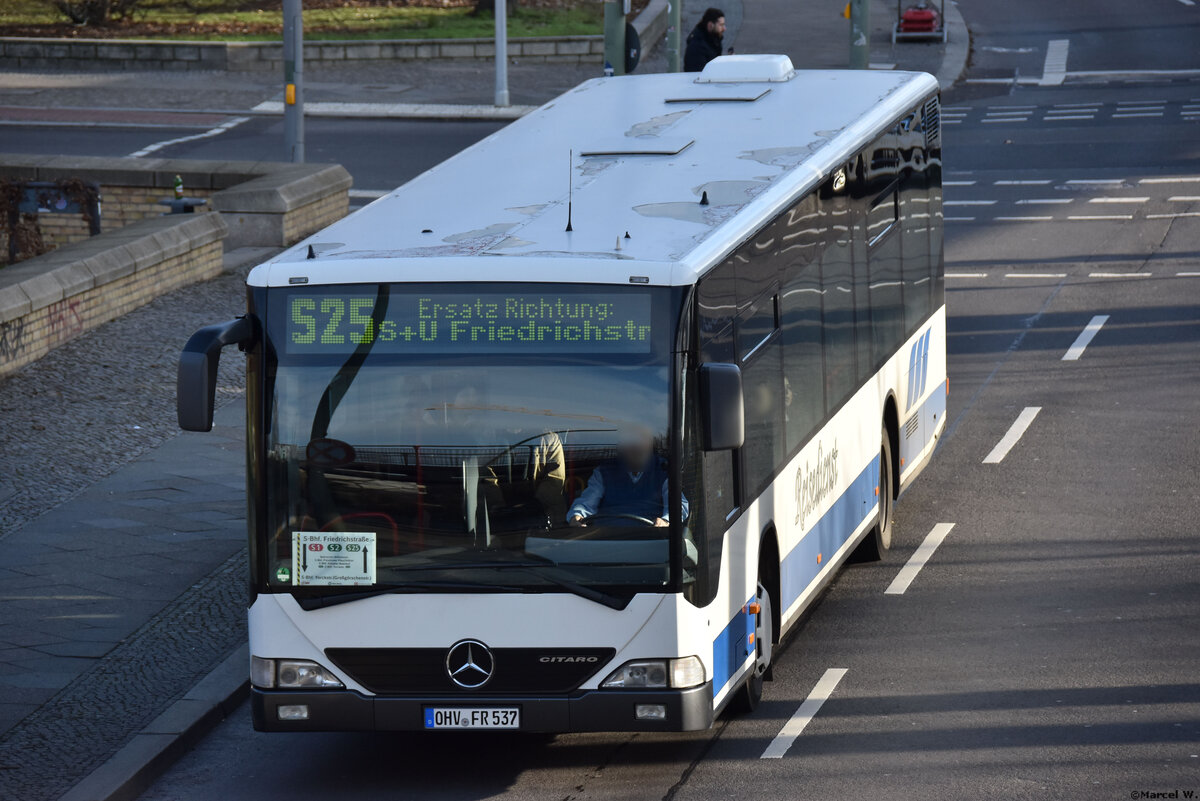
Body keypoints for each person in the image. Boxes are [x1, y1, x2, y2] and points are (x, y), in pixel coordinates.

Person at [567, 427, 687, 527]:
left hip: (650, 539)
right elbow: (586, 503)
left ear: (651, 444)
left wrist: (666, 521)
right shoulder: (604, 472)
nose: (637, 447)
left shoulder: (664, 469)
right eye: (631, 442)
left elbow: (678, 504)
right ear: (621, 447)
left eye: (642, 441)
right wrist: (576, 517)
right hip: (606, 540)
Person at [684, 8, 726, 73]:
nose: (724, 28)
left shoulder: (713, 39)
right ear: (710, 25)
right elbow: (699, 74)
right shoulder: (697, 47)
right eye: (721, 25)